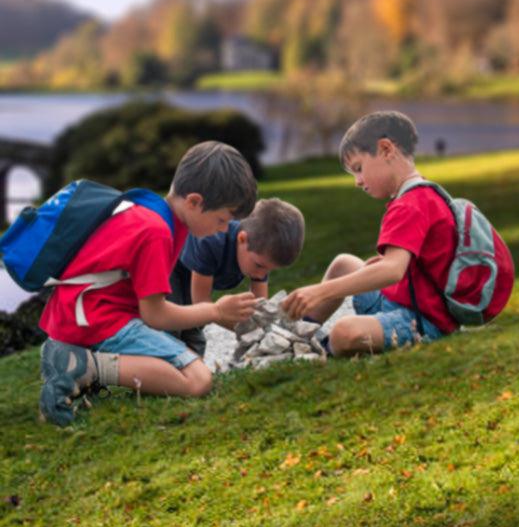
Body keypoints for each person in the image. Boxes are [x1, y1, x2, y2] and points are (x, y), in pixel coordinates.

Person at [38, 141, 259, 426]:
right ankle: (82, 367)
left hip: (81, 314)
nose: (222, 230)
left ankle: (76, 361)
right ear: (194, 202)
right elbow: (154, 315)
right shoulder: (156, 232)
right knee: (197, 380)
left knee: (179, 362)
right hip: (99, 318)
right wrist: (216, 311)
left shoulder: (156, 212)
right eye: (221, 219)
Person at [282, 111, 459, 354]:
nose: (357, 181)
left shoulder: (409, 205)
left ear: (386, 149)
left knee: (345, 333)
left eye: (358, 168)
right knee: (343, 263)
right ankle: (297, 335)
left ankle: (312, 350)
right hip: (404, 298)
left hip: (424, 321)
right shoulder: (423, 193)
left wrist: (319, 291)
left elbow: (391, 270)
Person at [167, 197, 306, 357]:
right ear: (242, 239)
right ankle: (160, 372)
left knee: (194, 335)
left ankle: (189, 371)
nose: (261, 275)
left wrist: (266, 333)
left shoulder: (258, 254)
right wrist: (246, 330)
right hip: (171, 266)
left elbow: (260, 307)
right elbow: (202, 303)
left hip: (196, 271)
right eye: (260, 266)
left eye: (269, 270)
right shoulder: (211, 241)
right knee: (174, 327)